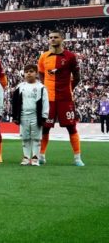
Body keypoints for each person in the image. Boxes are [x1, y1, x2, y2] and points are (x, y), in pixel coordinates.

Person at [38, 30, 84, 167]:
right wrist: (45, 88)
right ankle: (41, 156)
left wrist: (69, 88)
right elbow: (41, 74)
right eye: (50, 37)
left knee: (71, 127)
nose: (52, 39)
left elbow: (77, 76)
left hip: (65, 98)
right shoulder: (43, 57)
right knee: (45, 128)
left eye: (55, 37)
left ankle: (77, 158)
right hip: (49, 99)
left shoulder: (70, 56)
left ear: (62, 39)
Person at [12, 64, 48, 166]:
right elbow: (15, 102)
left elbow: (45, 102)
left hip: (36, 116)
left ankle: (35, 158)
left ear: (36, 73)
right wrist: (15, 116)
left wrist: (44, 115)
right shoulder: (20, 87)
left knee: (36, 138)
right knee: (25, 137)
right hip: (23, 116)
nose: (29, 73)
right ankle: (26, 157)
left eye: (31, 71)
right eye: (26, 71)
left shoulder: (41, 87)